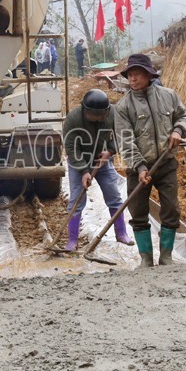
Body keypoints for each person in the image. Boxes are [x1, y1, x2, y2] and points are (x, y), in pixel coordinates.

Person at [113, 54, 186, 267]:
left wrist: (178, 130)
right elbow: (125, 141)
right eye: (130, 75)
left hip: (166, 163)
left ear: (149, 75)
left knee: (171, 209)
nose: (133, 79)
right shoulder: (123, 107)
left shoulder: (169, 96)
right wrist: (140, 167)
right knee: (138, 212)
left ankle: (166, 256)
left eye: (137, 74)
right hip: (138, 168)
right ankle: (146, 259)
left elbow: (183, 116)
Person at [62, 89, 132, 251]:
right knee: (77, 200)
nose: (99, 118)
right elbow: (71, 148)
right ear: (85, 110)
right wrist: (84, 171)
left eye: (101, 115)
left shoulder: (114, 114)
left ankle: (121, 233)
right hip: (79, 163)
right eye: (94, 115)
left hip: (102, 161)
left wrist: (110, 151)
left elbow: (121, 135)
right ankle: (72, 241)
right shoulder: (73, 119)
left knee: (114, 196)